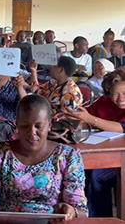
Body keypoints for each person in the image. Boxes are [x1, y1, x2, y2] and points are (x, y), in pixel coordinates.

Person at [0, 94, 87, 222]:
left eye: (39, 126)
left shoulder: (67, 156)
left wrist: (71, 211)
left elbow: (79, 209)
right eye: (25, 126)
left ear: (49, 125)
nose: (32, 132)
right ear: (17, 125)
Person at [59, 68, 125, 217]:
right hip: (104, 153)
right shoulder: (104, 102)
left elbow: (122, 128)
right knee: (81, 170)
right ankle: (83, 215)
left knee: (97, 176)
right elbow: (86, 117)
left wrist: (91, 120)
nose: (120, 99)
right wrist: (69, 119)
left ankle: (100, 218)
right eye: (115, 94)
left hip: (121, 159)